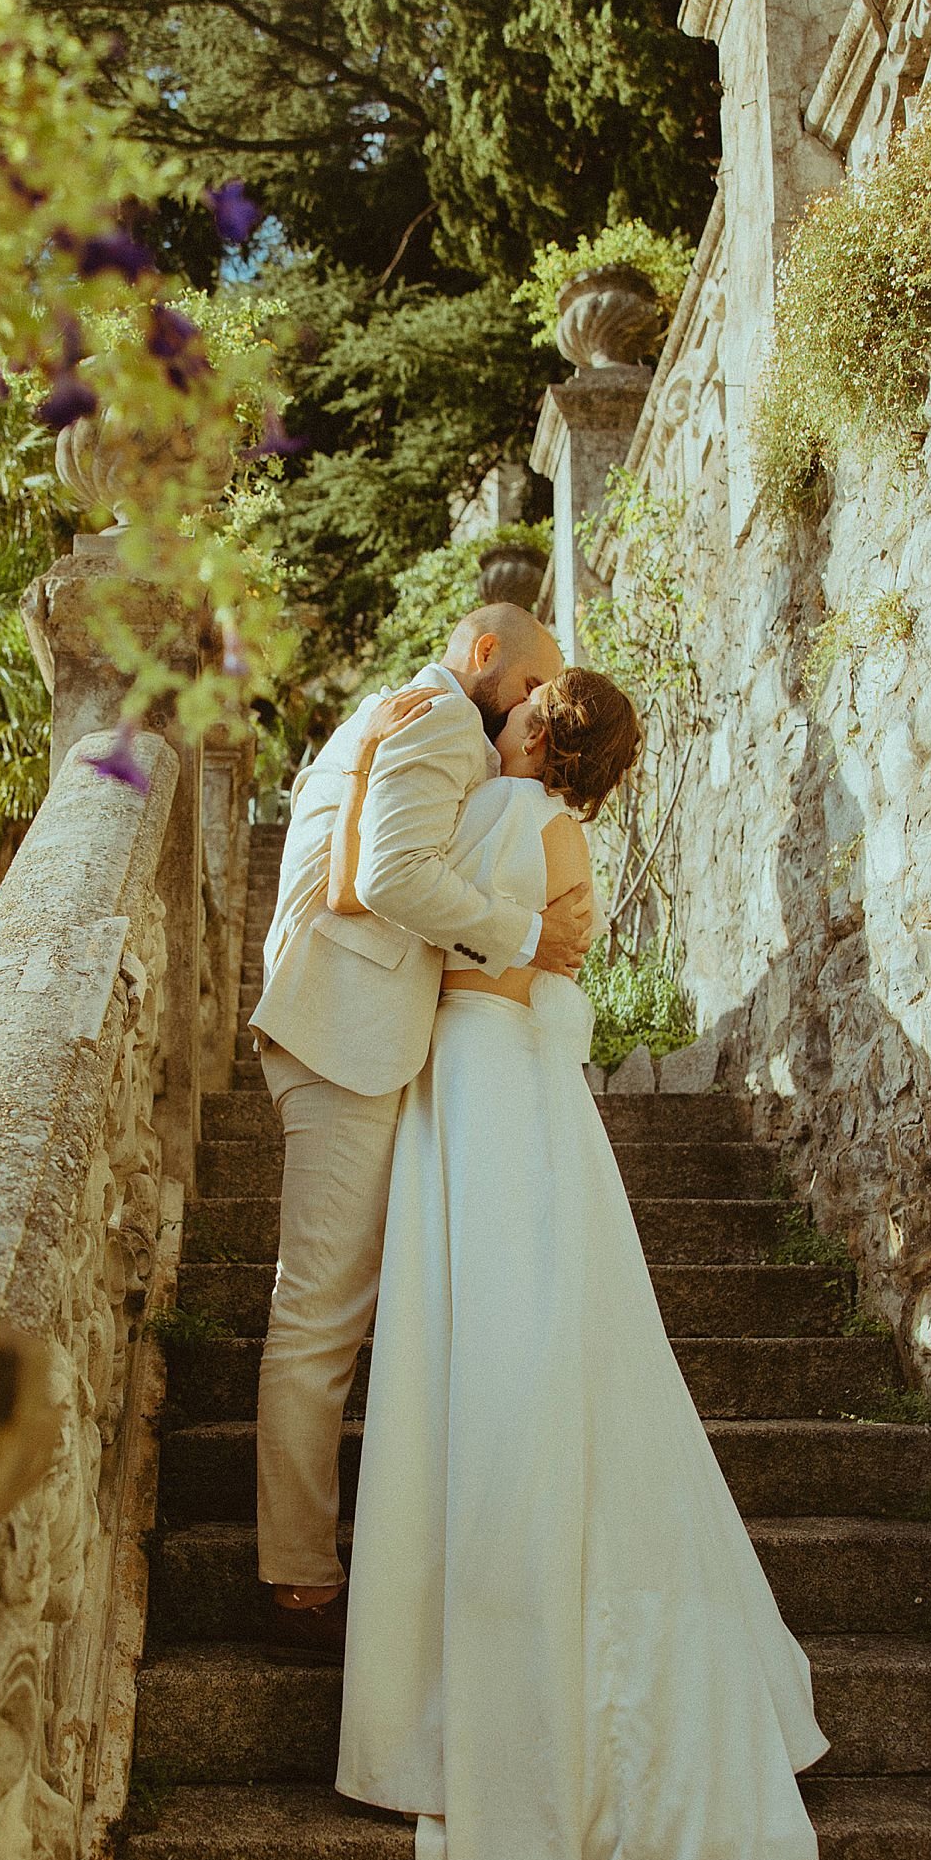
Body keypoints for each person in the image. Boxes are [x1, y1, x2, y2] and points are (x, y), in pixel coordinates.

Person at [331, 668, 832, 1860]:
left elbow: (405, 901)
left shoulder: (499, 810)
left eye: (523, 704)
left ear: (543, 731)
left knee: (494, 1351)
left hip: (474, 1083)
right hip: (507, 1077)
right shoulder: (547, 832)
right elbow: (547, 952)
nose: (499, 712)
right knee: (544, 1343)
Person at [247, 604, 593, 1660]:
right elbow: (395, 875)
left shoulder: (412, 716)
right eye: (534, 687)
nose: (536, 710)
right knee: (320, 1315)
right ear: (487, 656)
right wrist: (528, 932)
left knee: (346, 1310)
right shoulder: (441, 718)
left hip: (344, 1025)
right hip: (348, 1034)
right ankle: (299, 1579)